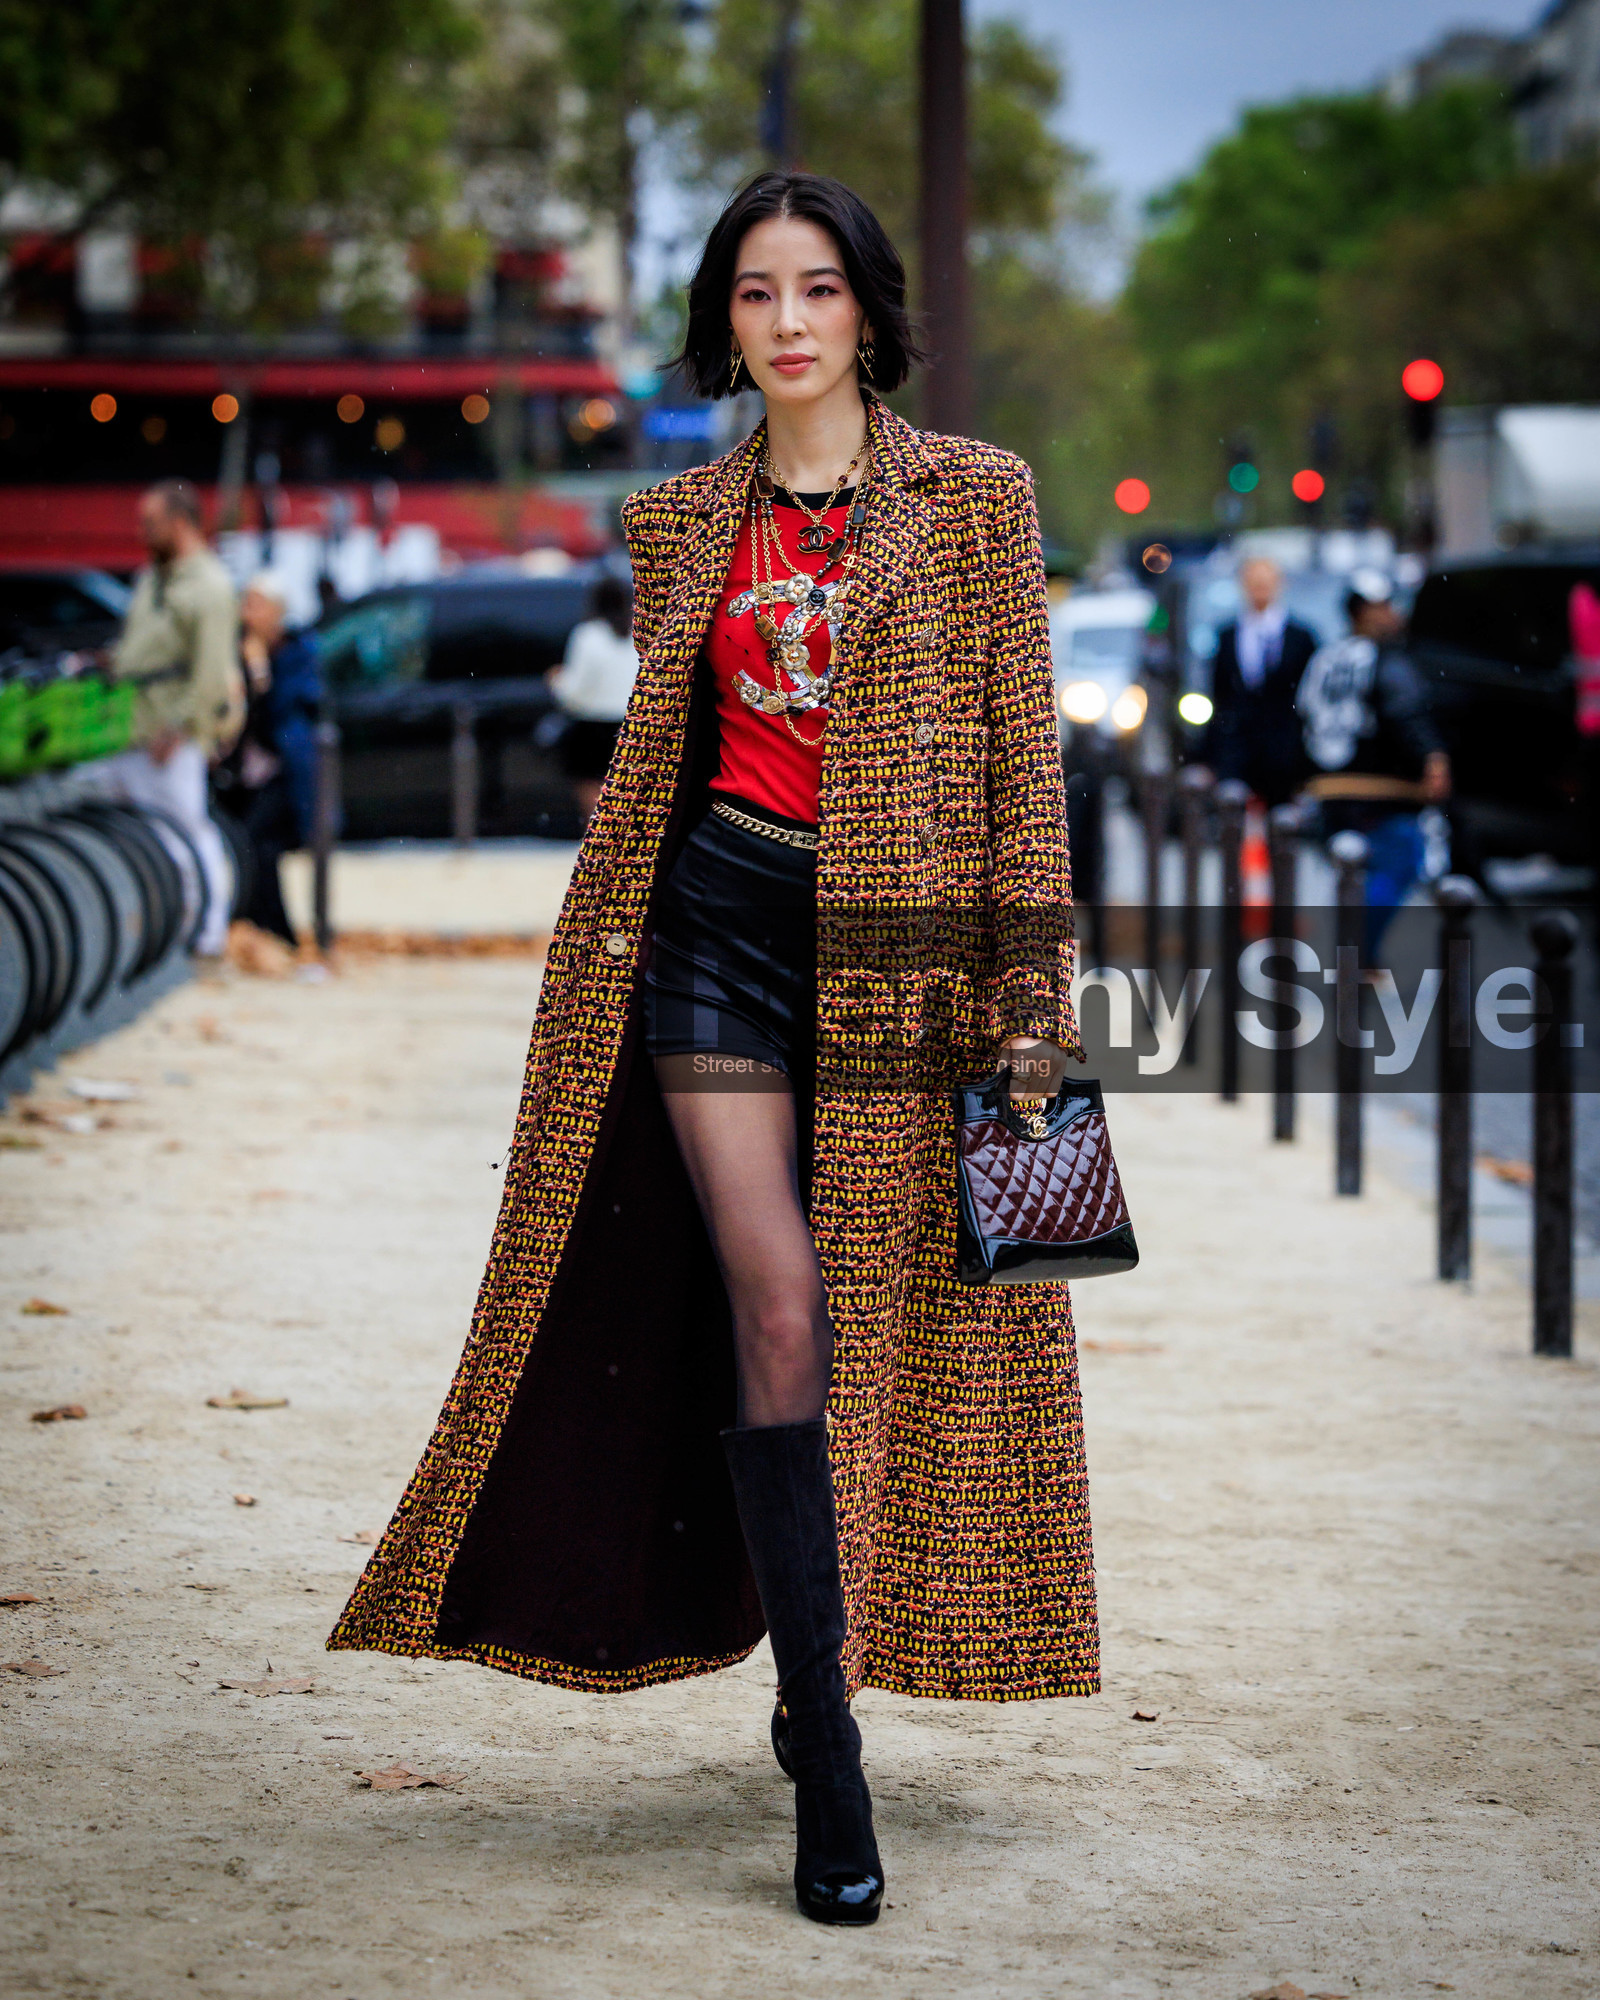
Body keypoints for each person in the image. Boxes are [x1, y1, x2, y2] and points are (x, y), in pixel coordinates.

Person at [329, 173, 1093, 1929]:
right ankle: (823, 1733)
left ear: (870, 312)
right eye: (756, 293)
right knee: (778, 1302)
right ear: (726, 322)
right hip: (715, 938)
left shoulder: (976, 500)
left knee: (898, 1317)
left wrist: (1035, 1004)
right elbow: (668, 752)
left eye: (818, 288)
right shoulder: (675, 520)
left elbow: (1025, 779)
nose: (791, 321)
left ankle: (832, 1659)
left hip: (900, 963)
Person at [88, 481, 242, 957]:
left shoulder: (211, 586)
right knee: (144, 833)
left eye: (149, 523)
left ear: (180, 523)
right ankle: (161, 929)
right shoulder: (154, 576)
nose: (141, 532)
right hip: (129, 728)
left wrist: (181, 727)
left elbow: (213, 672)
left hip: (170, 735)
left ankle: (206, 933)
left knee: (184, 833)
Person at [1298, 570, 1450, 942]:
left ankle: (1357, 953)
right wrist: (1432, 758)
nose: (1392, 615)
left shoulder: (1326, 658)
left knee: (1357, 871)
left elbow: (1301, 715)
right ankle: (1358, 950)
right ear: (1361, 612)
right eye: (1382, 607)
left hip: (1332, 786)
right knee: (1400, 861)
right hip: (1382, 789)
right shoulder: (1384, 659)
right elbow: (1405, 711)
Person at [214, 572, 323, 945]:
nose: (247, 612)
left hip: (283, 772)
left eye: (256, 604)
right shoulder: (237, 651)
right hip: (243, 773)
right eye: (245, 602)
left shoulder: (297, 653)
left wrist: (260, 673)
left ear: (278, 611)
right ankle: (256, 926)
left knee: (256, 841)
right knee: (247, 845)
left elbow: (280, 713)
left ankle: (273, 931)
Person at [1204, 555, 1319, 807]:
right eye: (1254, 583)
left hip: (1285, 751)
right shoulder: (1226, 636)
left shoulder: (1301, 637)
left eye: (1266, 583)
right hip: (1237, 749)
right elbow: (1218, 696)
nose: (1260, 590)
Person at [548, 575, 638, 821]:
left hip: (592, 726)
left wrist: (555, 681)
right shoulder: (640, 633)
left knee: (593, 795)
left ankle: (601, 848)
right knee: (629, 794)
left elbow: (573, 693)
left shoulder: (588, 635)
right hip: (632, 723)